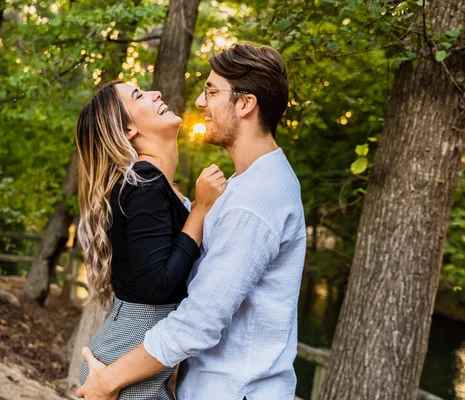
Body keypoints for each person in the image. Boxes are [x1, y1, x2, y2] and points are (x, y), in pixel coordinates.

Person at [77, 43, 306, 400]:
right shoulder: (243, 186)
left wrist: (108, 381)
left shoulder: (255, 201)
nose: (201, 103)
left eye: (212, 92)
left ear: (245, 104)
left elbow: (198, 321)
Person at [75, 81, 225, 399]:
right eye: (139, 96)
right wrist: (200, 209)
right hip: (127, 360)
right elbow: (155, 286)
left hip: (131, 350)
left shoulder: (152, 183)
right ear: (128, 128)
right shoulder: (144, 183)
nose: (157, 94)